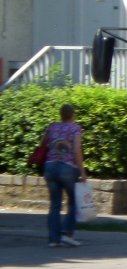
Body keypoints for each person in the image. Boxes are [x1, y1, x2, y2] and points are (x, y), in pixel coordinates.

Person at [41, 103, 86, 248]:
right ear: (73, 115)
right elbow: (77, 151)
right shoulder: (75, 129)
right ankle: (66, 233)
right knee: (74, 201)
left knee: (55, 204)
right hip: (67, 168)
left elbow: (42, 143)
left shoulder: (52, 126)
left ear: (60, 114)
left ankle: (53, 240)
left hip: (50, 166)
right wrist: (83, 172)